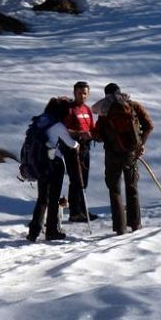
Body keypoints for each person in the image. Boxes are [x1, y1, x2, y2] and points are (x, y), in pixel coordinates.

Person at [92, 83, 154, 234]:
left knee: (115, 190)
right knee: (132, 188)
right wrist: (140, 145)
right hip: (131, 154)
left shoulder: (104, 110)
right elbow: (149, 125)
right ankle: (135, 224)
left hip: (112, 154)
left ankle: (119, 227)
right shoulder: (132, 106)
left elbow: (98, 135)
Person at [28, 97, 79, 242]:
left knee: (42, 198)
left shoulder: (39, 121)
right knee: (54, 198)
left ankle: (34, 231)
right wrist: (77, 144)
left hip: (39, 162)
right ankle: (51, 230)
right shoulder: (58, 125)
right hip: (54, 163)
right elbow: (71, 143)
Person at [62, 81, 98, 222]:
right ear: (74, 93)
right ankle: (75, 212)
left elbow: (92, 128)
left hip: (85, 148)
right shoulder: (70, 109)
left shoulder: (87, 109)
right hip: (72, 148)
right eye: (79, 93)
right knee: (76, 179)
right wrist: (79, 133)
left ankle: (83, 210)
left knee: (84, 180)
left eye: (85, 93)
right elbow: (64, 130)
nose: (82, 96)